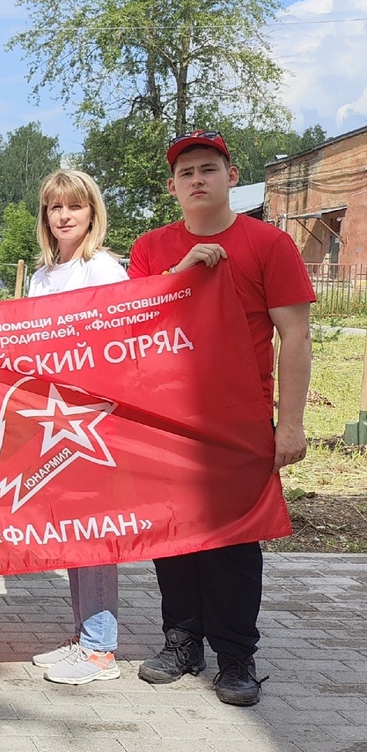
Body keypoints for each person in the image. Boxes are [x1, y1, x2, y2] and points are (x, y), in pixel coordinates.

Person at [128, 130, 314, 707]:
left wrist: (291, 422)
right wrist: (183, 270)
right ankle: (182, 641)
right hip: (168, 423)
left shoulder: (268, 244)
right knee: (175, 534)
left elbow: (296, 335)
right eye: (186, 174)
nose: (198, 180)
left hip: (241, 422)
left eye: (209, 169)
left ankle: (236, 656)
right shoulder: (151, 248)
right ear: (172, 187)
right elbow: (133, 327)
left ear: (232, 177)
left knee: (234, 541)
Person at [25, 170, 129, 685]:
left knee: (94, 534)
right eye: (54, 207)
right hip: (54, 416)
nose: (64, 216)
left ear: (92, 212)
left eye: (75, 206)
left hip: (93, 418)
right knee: (73, 531)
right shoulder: (45, 275)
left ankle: (101, 649)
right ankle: (83, 633)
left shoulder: (104, 269)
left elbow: (117, 341)